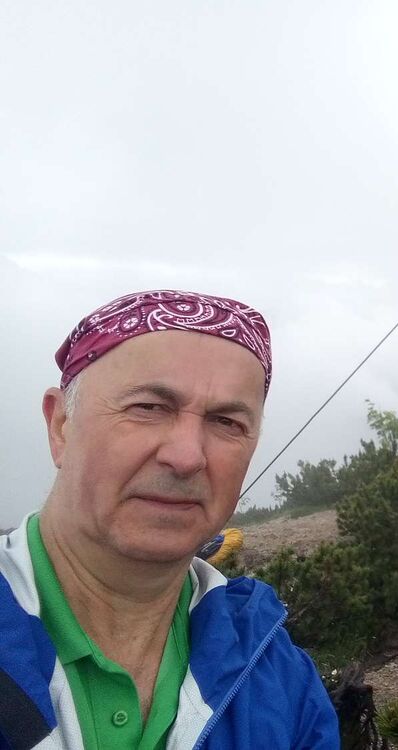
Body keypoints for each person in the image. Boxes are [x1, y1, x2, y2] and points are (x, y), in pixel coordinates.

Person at [0, 290, 340, 749]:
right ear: (61, 424)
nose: (187, 456)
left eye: (227, 422)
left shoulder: (279, 679)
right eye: (148, 408)